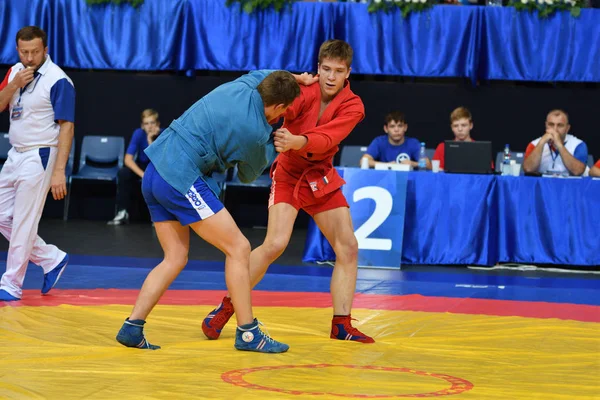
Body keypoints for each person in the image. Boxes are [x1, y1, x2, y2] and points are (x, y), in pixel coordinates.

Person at [115, 70, 305, 353]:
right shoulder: (255, 132)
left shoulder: (245, 85)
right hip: (179, 177)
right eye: (285, 109)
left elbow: (263, 75)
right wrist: (273, 144)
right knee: (239, 248)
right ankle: (249, 333)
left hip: (155, 170)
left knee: (175, 257)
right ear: (279, 107)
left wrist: (296, 78)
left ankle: (133, 326)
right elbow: (247, 175)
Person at [202, 39, 375, 344]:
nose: (331, 77)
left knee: (348, 247)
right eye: (325, 69)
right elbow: (268, 100)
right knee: (275, 244)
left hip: (321, 175)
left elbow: (328, 137)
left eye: (338, 71)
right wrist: (290, 80)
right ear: (317, 67)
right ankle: (228, 306)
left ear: (349, 72)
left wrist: (299, 141)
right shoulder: (302, 90)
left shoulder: (354, 105)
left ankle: (341, 324)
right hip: (290, 173)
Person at [0, 26, 74, 301]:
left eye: (35, 52)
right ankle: (51, 258)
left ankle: (11, 283)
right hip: (15, 153)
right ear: (18, 50)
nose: (30, 58)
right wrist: (14, 84)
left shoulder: (58, 80)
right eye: (24, 52)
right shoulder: (15, 72)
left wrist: (59, 172)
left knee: (23, 221)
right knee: (3, 216)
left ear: (45, 50)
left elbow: (67, 127)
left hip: (41, 154)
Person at [108, 109, 162, 225]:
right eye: (146, 124)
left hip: (158, 167)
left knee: (163, 178)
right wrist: (143, 175)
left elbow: (160, 161)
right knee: (123, 173)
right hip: (142, 166)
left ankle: (159, 216)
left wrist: (150, 141)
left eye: (152, 123)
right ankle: (123, 212)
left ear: (157, 124)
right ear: (142, 125)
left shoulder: (164, 134)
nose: (149, 126)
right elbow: (127, 159)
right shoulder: (138, 133)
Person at [523, 109, 587, 176]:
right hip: (543, 185)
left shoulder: (578, 144)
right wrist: (541, 143)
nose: (555, 129)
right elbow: (528, 169)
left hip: (569, 185)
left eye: (560, 125)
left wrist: (559, 144)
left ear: (567, 128)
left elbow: (578, 171)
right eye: (551, 124)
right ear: (546, 125)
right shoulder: (534, 144)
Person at [360, 111, 429, 169]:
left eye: (400, 126)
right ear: (386, 129)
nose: (396, 130)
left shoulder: (413, 143)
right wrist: (387, 165)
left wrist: (413, 163)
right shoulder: (379, 142)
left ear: (405, 127)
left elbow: (428, 164)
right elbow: (363, 161)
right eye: (392, 126)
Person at [432, 106, 475, 171]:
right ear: (452, 128)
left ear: (471, 126)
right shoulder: (442, 148)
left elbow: (489, 176)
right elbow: (436, 175)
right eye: (456, 126)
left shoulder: (482, 149)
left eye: (463, 125)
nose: (460, 129)